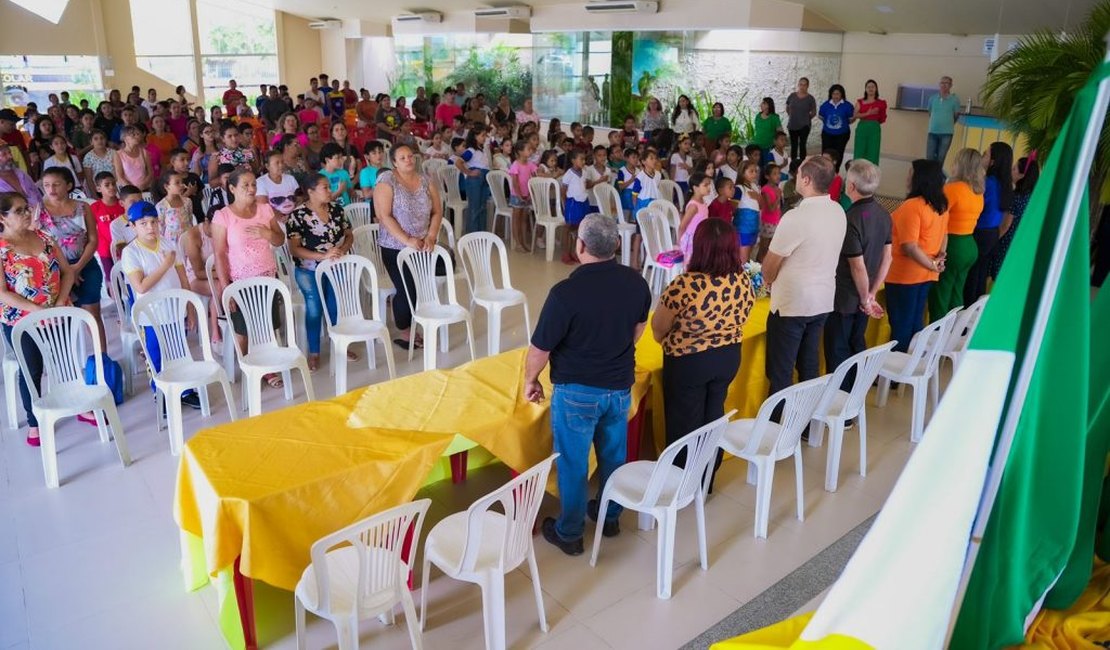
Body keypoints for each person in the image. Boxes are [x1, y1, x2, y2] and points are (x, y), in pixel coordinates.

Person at [525, 214, 651, 554]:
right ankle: (610, 516)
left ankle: (570, 532)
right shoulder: (637, 283)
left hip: (577, 392)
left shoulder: (566, 293)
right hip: (619, 387)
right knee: (613, 455)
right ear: (617, 245)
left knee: (573, 463)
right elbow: (637, 330)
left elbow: (540, 348)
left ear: (580, 246)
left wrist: (530, 379)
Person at [652, 218, 753, 489]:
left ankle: (682, 484)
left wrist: (674, 341)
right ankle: (707, 478)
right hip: (728, 357)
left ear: (700, 247)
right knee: (713, 416)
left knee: (684, 421)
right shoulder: (743, 279)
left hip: (689, 362)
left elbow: (659, 328)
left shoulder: (685, 284)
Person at [762, 155, 846, 398]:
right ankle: (804, 425)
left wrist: (767, 279)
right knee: (809, 366)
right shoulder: (838, 211)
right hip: (822, 300)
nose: (795, 177)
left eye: (798, 173)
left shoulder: (796, 217)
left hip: (792, 305)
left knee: (781, 371)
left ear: (806, 180)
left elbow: (769, 269)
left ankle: (781, 430)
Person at [0, 191, 75, 446]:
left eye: (26, 208)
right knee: (32, 369)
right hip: (21, 320)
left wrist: (62, 301)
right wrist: (37, 311)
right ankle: (34, 421)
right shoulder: (2, 249)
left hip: (56, 312)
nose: (25, 213)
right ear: (3, 217)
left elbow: (67, 273)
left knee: (66, 362)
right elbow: (2, 292)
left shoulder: (44, 237)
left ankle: (76, 403)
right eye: (18, 211)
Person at [120, 200, 200, 409]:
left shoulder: (168, 244)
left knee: (179, 351)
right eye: (143, 223)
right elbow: (141, 286)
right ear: (133, 226)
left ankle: (185, 390)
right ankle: (161, 393)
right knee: (156, 355)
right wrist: (165, 264)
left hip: (174, 311)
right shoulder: (131, 252)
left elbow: (183, 279)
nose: (150, 227)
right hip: (151, 317)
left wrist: (189, 308)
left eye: (154, 222)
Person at [211, 169, 287, 388]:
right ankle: (248, 367)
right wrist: (227, 289)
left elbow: (280, 240)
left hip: (267, 276)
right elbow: (219, 254)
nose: (252, 189)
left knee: (267, 326)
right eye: (245, 185)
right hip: (240, 281)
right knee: (243, 331)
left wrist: (267, 235)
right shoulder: (223, 216)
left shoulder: (264, 209)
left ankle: (267, 367)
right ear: (232, 188)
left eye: (253, 184)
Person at [372, 144, 444, 349]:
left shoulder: (425, 180)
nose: (408, 160)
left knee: (422, 288)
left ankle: (419, 320)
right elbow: (384, 216)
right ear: (394, 162)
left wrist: (431, 235)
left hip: (423, 245)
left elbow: (437, 211)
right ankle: (404, 330)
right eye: (402, 158)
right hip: (395, 246)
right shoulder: (387, 181)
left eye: (410, 156)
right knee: (407, 290)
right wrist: (407, 240)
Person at [825, 159, 891, 380]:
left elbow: (857, 265)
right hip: (866, 295)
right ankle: (853, 401)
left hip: (846, 297)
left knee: (838, 352)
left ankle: (838, 406)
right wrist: (872, 294)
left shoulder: (850, 218)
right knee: (856, 343)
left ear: (851, 186)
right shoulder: (883, 214)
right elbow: (887, 258)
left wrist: (865, 298)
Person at [286, 174, 355, 371]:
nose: (330, 191)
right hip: (308, 270)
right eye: (325, 187)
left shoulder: (336, 209)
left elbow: (349, 235)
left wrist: (343, 248)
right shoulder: (298, 216)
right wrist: (321, 256)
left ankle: (340, 345)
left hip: (334, 267)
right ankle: (314, 352)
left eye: (329, 187)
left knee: (335, 306)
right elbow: (295, 249)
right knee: (314, 308)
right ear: (310, 192)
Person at [38, 167, 108, 352]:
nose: (51, 189)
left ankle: (102, 362)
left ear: (69, 185)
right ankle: (68, 366)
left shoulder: (83, 207)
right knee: (61, 320)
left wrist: (76, 268)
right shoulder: (38, 211)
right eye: (46, 185)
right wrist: (66, 272)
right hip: (55, 270)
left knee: (92, 315)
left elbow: (93, 240)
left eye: (56, 184)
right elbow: (38, 244)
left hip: (84, 263)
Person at [885, 159, 948, 352]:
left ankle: (895, 372)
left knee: (901, 324)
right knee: (914, 321)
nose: (907, 176)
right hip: (926, 274)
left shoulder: (912, 206)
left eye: (911, 172)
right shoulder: (941, 205)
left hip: (905, 275)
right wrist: (938, 260)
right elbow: (944, 236)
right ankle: (911, 364)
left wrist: (932, 264)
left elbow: (909, 247)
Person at [928, 148, 984, 318]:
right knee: (957, 290)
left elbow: (936, 214)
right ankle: (955, 328)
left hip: (953, 244)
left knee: (941, 291)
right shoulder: (978, 192)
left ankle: (937, 332)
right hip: (970, 245)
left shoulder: (952, 189)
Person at [965, 141, 1013, 306]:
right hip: (992, 234)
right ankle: (974, 312)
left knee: (972, 276)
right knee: (980, 275)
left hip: (980, 232)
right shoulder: (1005, 184)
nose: (982, 156)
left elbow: (977, 206)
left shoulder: (988, 182)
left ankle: (966, 312)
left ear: (993, 161)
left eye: (985, 154)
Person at [990, 155, 1039, 279]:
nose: (1011, 171)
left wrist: (994, 239)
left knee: (998, 273)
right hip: (1022, 239)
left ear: (1022, 176)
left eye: (1014, 169)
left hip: (1007, 240)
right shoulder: (1033, 197)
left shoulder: (1016, 196)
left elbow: (1006, 225)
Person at [456, 125, 491, 235]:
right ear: (475, 137)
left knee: (482, 207)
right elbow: (458, 162)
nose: (484, 138)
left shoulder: (482, 150)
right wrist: (469, 172)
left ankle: (481, 232)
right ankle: (473, 234)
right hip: (475, 180)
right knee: (474, 207)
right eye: (482, 135)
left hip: (484, 178)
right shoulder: (471, 150)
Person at [89, 172, 124, 280]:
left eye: (113, 184)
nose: (112, 187)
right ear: (99, 189)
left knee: (127, 277)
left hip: (124, 246)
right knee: (111, 278)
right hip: (105, 249)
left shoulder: (123, 204)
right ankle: (114, 296)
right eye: (107, 185)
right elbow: (90, 229)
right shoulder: (95, 207)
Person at [677, 172, 713, 261]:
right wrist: (680, 243)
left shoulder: (703, 201)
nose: (709, 188)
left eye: (709, 185)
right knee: (691, 264)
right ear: (695, 188)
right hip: (692, 241)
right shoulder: (693, 206)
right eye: (705, 185)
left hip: (701, 237)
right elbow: (682, 226)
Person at [255, 150, 299, 222]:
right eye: (277, 163)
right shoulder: (260, 182)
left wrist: (293, 216)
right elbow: (264, 206)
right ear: (267, 166)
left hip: (294, 217)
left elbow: (299, 198)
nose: (281, 165)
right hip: (274, 220)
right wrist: (281, 218)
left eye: (282, 162)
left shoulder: (290, 178)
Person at [818, 85, 854, 173]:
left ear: (842, 94)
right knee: (826, 153)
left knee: (839, 154)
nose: (835, 96)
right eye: (833, 94)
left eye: (838, 94)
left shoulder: (847, 105)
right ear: (831, 94)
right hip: (827, 134)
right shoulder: (825, 105)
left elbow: (851, 119)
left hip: (842, 135)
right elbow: (821, 117)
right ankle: (826, 171)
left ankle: (835, 171)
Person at [925, 76, 961, 163]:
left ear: (951, 85)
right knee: (929, 157)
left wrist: (948, 123)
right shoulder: (932, 98)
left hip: (947, 133)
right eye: (942, 83)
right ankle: (929, 176)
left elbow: (956, 116)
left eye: (946, 83)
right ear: (939, 84)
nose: (944, 85)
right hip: (933, 132)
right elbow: (930, 113)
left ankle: (936, 176)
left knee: (940, 158)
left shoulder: (955, 100)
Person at [853, 80, 887, 165]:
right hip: (862, 127)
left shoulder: (881, 103)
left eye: (873, 87)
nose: (871, 88)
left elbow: (882, 118)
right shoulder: (859, 102)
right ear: (865, 89)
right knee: (859, 150)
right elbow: (855, 115)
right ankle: (857, 172)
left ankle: (872, 174)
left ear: (876, 89)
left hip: (874, 128)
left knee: (873, 151)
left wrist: (873, 122)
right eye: (868, 87)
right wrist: (868, 113)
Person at [785, 78, 818, 162]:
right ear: (798, 85)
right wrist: (793, 116)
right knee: (794, 145)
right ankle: (793, 164)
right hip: (792, 124)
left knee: (802, 144)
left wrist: (806, 118)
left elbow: (814, 112)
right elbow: (787, 108)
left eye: (804, 85)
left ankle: (802, 163)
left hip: (805, 125)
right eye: (801, 84)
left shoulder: (810, 98)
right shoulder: (792, 96)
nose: (802, 87)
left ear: (807, 86)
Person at [113, 125, 153, 192]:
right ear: (125, 138)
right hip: (128, 190)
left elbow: (150, 172)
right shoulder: (118, 154)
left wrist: (143, 184)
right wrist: (132, 189)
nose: (136, 137)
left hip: (145, 188)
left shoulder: (144, 152)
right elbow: (119, 176)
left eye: (137, 134)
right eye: (133, 135)